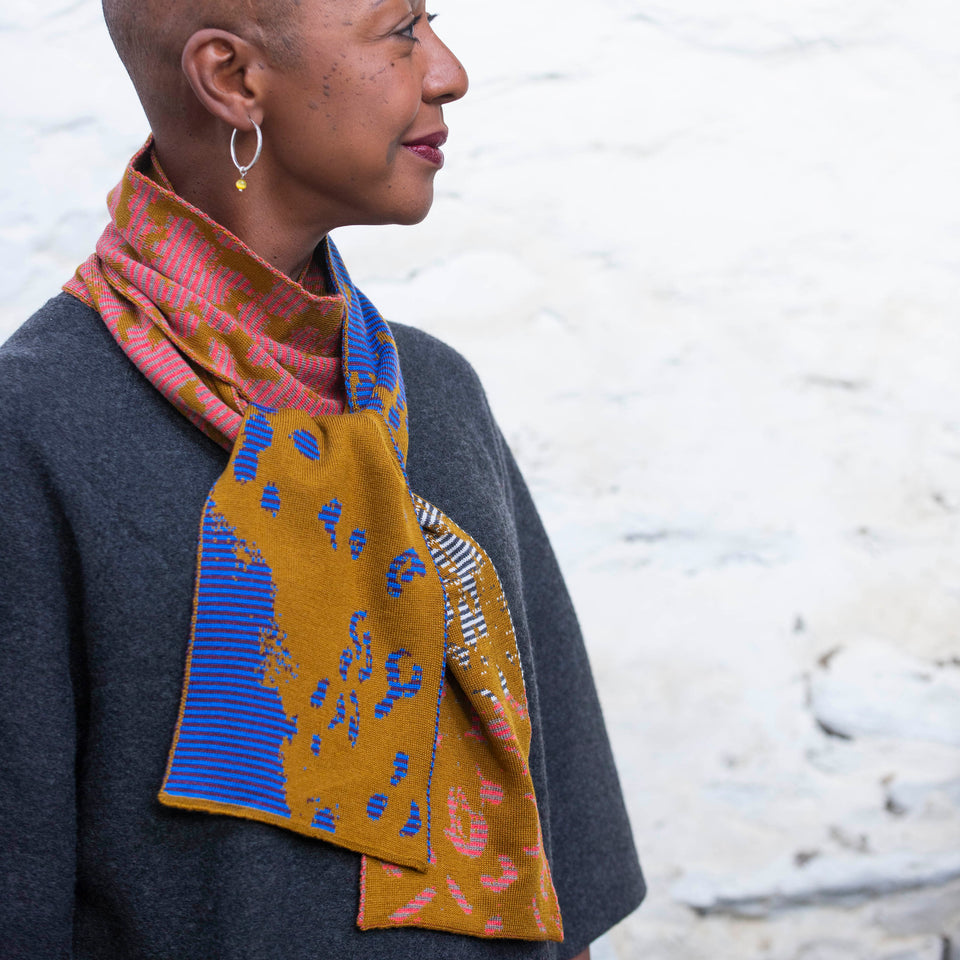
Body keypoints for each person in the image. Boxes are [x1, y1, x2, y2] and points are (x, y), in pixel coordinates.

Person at [0, 0, 645, 956]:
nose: (447, 72)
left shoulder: (435, 395)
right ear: (232, 80)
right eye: (401, 31)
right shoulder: (36, 434)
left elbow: (558, 854)